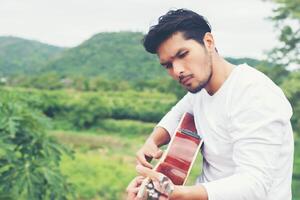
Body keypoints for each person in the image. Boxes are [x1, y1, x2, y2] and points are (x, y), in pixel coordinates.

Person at [126, 8, 294, 200]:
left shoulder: (254, 94)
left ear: (208, 42)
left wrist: (178, 194)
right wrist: (153, 141)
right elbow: (176, 115)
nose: (178, 70)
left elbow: (254, 185)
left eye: (183, 54)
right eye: (168, 65)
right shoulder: (199, 90)